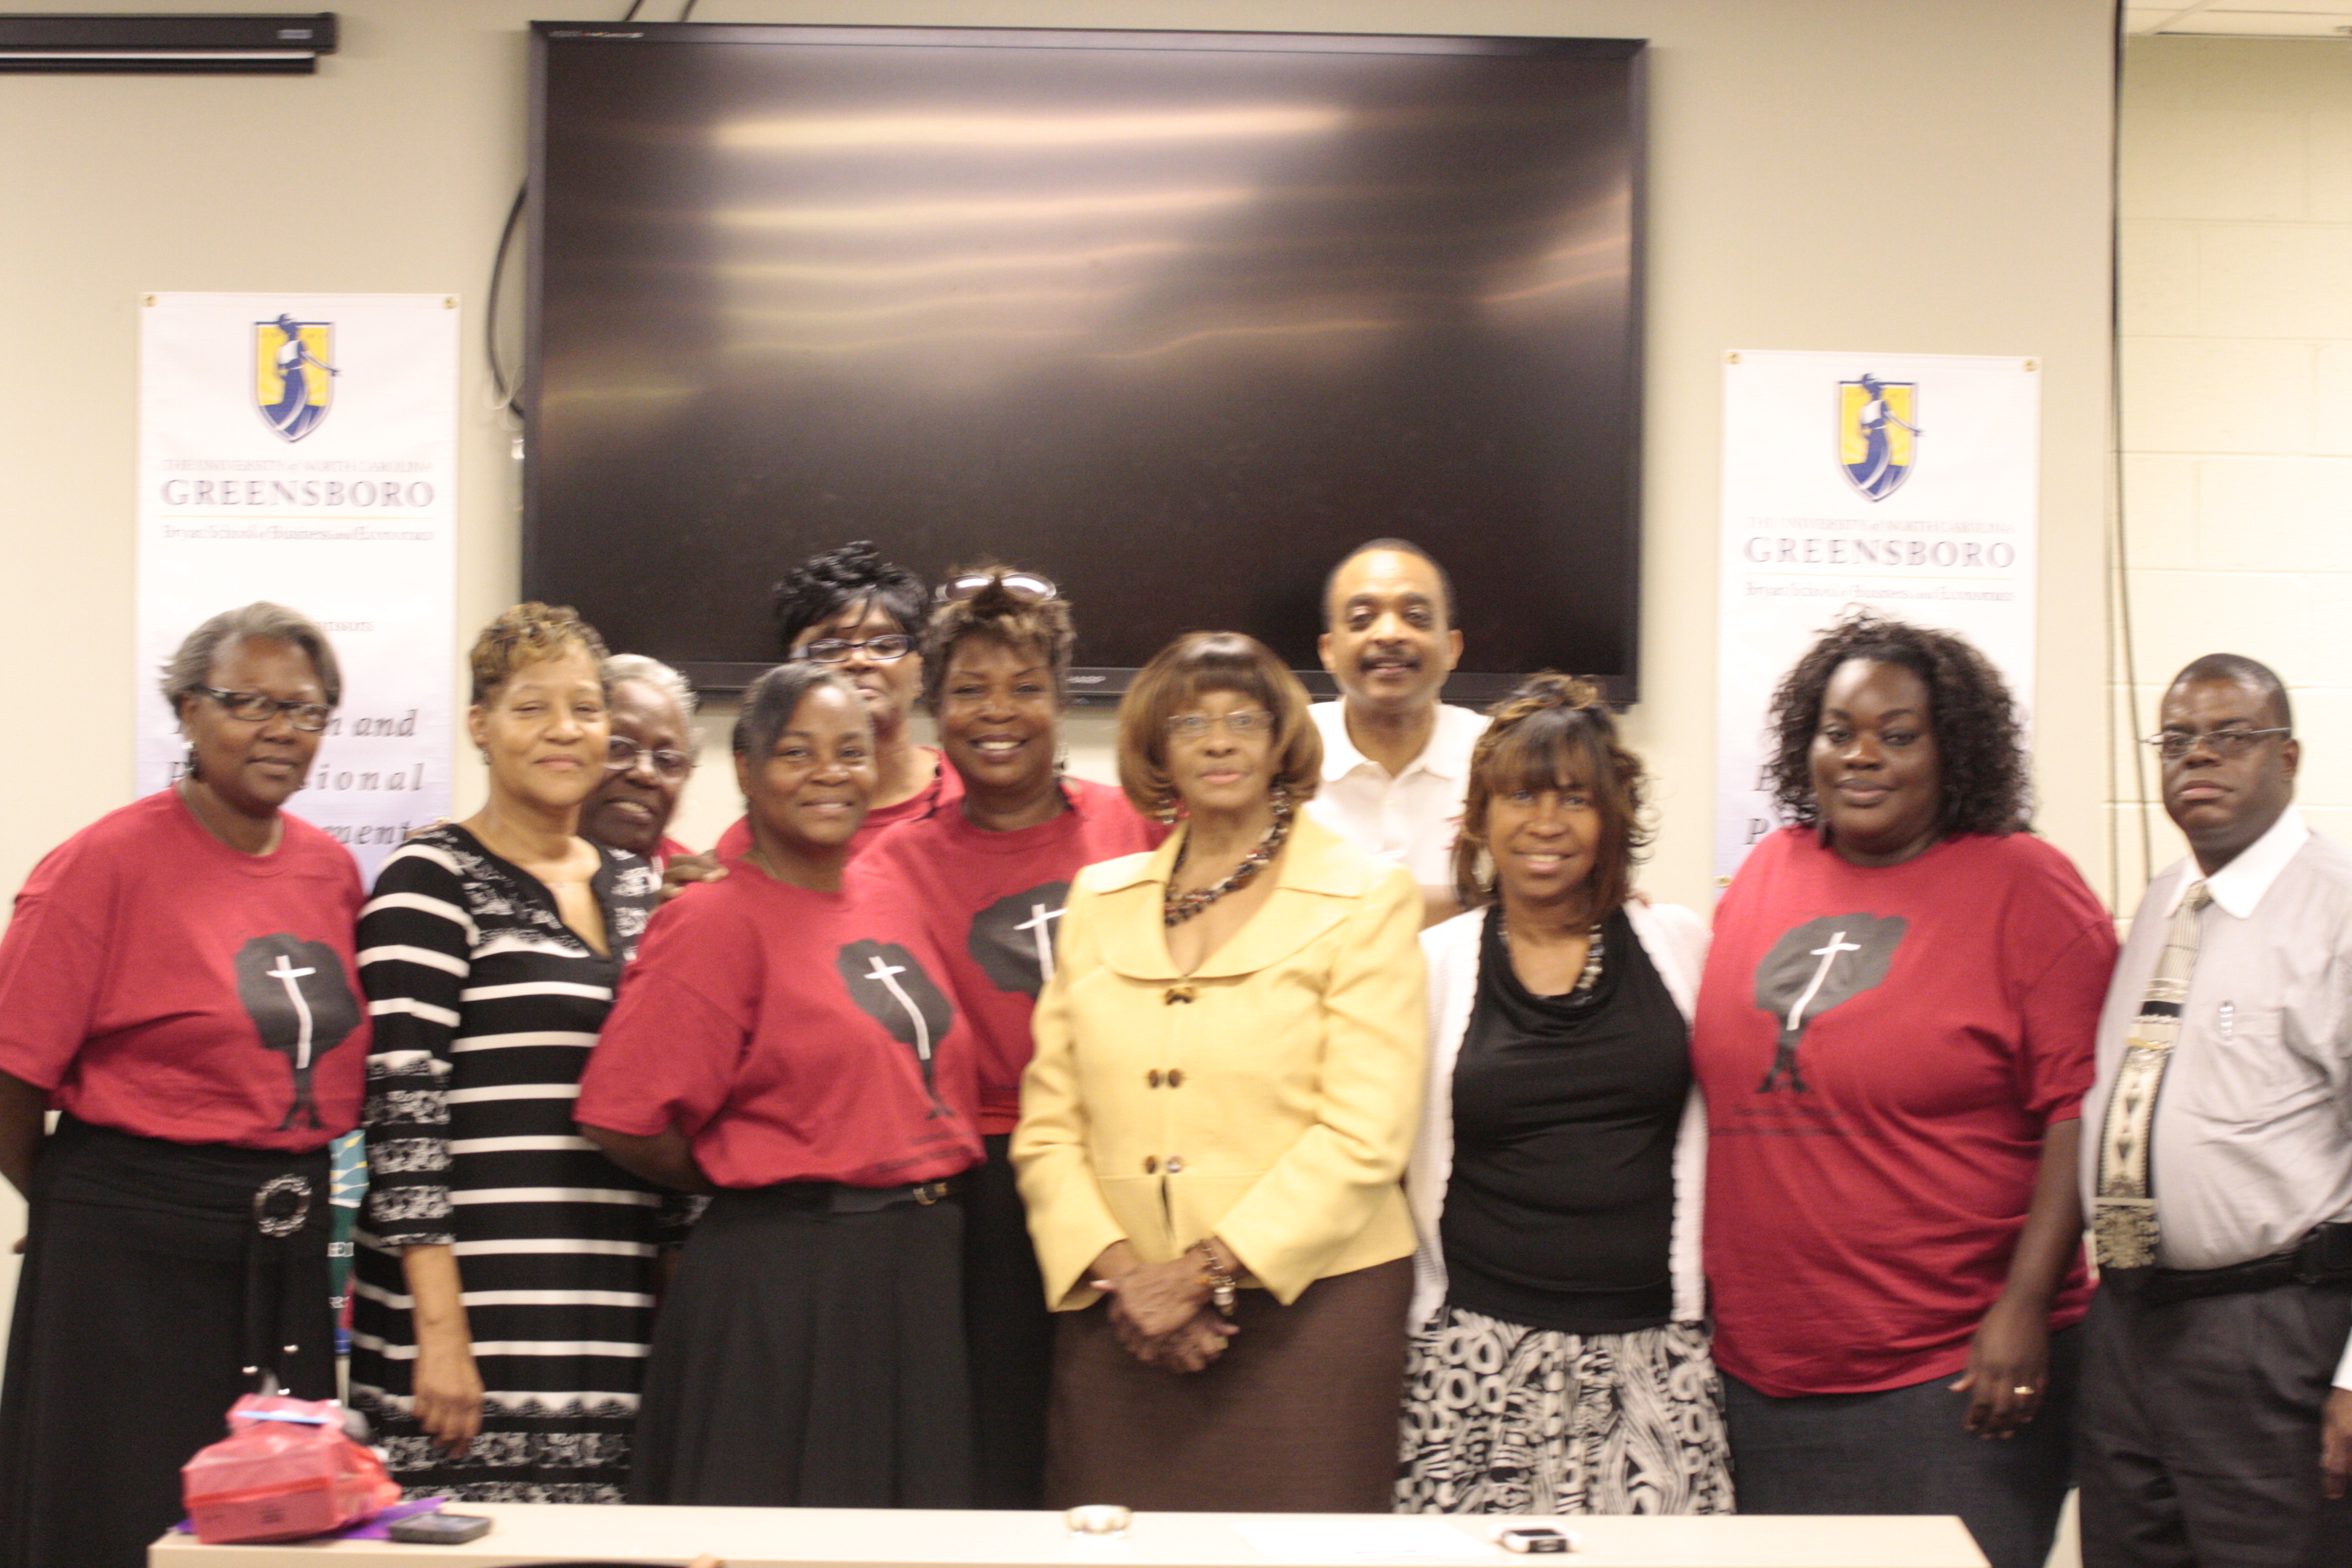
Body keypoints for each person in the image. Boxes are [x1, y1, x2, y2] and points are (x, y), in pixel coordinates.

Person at [1690, 609, 2114, 1568]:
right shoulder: (1766, 871)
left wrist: (2023, 1306)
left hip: (1953, 1375)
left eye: (1898, 734)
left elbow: (2081, 1113)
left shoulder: (2026, 887)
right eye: (1838, 732)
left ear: (1952, 749)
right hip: (1763, 1377)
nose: (1861, 756)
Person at [1012, 630, 1426, 1512]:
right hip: (1121, 1314)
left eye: (1244, 720)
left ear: (1282, 741)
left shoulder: (1366, 895)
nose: (1218, 741)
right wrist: (1129, 1278)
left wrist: (1201, 1274)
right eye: (1189, 723)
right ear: (1155, 748)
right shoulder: (1098, 900)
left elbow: (1367, 1133)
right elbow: (1048, 1130)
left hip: (1312, 1310)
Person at [0, 603, 364, 1568]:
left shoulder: (331, 872)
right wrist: (70, 1206)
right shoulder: (102, 865)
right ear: (188, 711)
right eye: (251, 703)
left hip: (281, 1252)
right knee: (119, 1519)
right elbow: (9, 1074)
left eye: (306, 710)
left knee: (275, 1524)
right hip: (128, 1261)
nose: (281, 729)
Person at [576, 663, 985, 1508]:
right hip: (792, 1283)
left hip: (918, 1272)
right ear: (748, 769)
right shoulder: (713, 917)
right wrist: (760, 1169)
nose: (830, 773)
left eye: (851, 752)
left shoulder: (892, 895)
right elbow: (623, 1118)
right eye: (798, 753)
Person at [856, 567, 1163, 1508]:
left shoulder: (1133, 831)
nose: (998, 712)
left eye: (1025, 687)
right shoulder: (891, 863)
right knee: (994, 1450)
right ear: (934, 708)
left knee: (1114, 1436)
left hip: (1119, 1170)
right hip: (971, 1196)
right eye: (970, 689)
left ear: (1062, 701)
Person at [349, 603, 664, 1503]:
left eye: (586, 708)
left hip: (615, 1309)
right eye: (532, 708)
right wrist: (441, 1331)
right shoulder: (428, 881)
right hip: (472, 1322)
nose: (565, 730)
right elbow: (403, 1114)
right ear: (480, 726)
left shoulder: (641, 888)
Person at [1397, 675, 1731, 1517]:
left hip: (1656, 1354)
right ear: (1480, 817)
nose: (1546, 823)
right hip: (1473, 1359)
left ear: (1612, 818)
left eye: (1575, 799)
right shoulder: (1434, 966)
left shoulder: (1680, 945)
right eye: (1520, 796)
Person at [2076, 654, 2352, 1567]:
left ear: (2289, 757)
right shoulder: (2167, 901)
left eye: (2231, 736)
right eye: (2177, 740)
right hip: (2129, 1323)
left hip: (2273, 1329)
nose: (2198, 756)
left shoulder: (2338, 910)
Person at [712, 540, 961, 863]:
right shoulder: (760, 843)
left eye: (885, 645)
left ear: (921, 671)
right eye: (830, 649)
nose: (859, 661)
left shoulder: (976, 794)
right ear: (790, 674)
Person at [1308, 538, 1481, 927]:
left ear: (1452, 648)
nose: (1388, 634)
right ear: (1329, 650)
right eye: (1362, 619)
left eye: (1416, 617)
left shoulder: (1502, 756)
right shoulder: (1280, 754)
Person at [581, 652, 700, 868]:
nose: (645, 772)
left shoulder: (695, 884)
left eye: (666, 760)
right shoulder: (517, 873)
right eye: (617, 747)